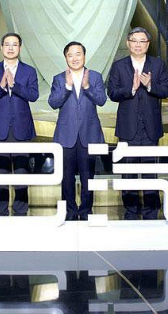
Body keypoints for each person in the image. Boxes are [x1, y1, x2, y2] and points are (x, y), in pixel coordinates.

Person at [107, 27, 168, 220]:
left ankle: (151, 210)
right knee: (128, 171)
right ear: (128, 43)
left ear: (148, 44)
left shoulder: (158, 65)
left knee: (150, 170)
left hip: (150, 128)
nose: (138, 44)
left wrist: (150, 85)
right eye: (134, 41)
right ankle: (131, 210)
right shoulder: (119, 66)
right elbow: (112, 93)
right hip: (128, 128)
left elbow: (166, 90)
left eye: (142, 41)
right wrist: (132, 88)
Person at [0, 33, 39, 216]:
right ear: (1, 48)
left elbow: (34, 95)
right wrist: (1, 86)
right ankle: (1, 212)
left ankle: (21, 212)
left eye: (14, 44)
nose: (11, 48)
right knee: (0, 176)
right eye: (7, 44)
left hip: (21, 128)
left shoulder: (29, 71)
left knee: (22, 175)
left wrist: (15, 86)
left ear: (20, 48)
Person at [48, 41, 107, 221]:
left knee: (88, 177)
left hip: (89, 133)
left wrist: (87, 87)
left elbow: (102, 100)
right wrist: (67, 87)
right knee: (67, 178)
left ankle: (86, 211)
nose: (74, 58)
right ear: (66, 58)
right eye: (70, 55)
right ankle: (70, 212)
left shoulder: (95, 76)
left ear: (84, 56)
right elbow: (53, 103)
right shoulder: (59, 78)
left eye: (78, 54)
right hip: (66, 135)